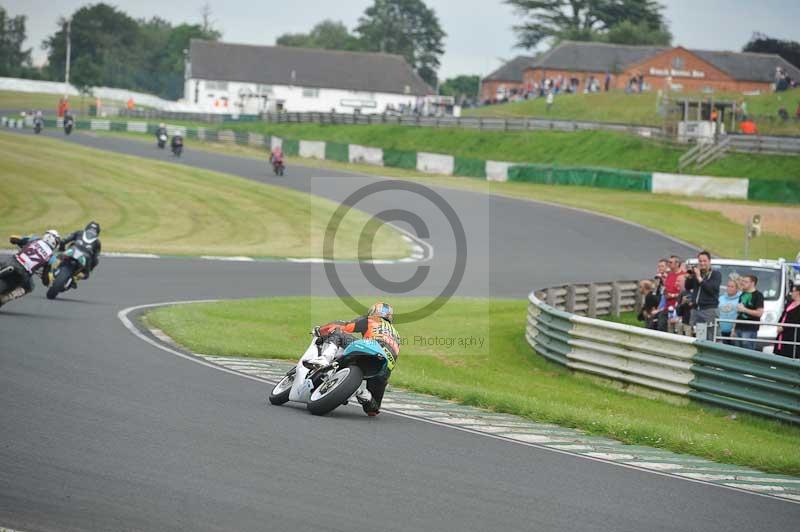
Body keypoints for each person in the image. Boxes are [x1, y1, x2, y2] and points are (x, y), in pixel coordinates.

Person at [315, 302, 400, 416]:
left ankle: (324, 360)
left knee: (338, 333)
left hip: (369, 348)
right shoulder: (396, 335)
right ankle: (362, 393)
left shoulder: (371, 319)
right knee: (372, 409)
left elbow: (345, 326)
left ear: (373, 312)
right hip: (384, 367)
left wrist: (320, 330)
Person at [0, 230, 61, 307]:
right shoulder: (52, 257)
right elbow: (45, 278)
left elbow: (15, 239)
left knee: (3, 262)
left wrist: (15, 241)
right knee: (30, 287)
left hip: (12, 262)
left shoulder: (35, 239)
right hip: (24, 273)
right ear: (54, 242)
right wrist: (47, 282)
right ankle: (5, 298)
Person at [686, 251, 722, 340]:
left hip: (709, 310)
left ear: (709, 261)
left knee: (711, 337)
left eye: (704, 261)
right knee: (696, 337)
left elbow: (712, 290)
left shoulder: (716, 274)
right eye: (700, 261)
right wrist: (690, 277)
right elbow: (687, 287)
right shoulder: (697, 273)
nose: (702, 263)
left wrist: (699, 278)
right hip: (696, 310)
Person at [734, 275, 764, 351]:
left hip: (750, 328)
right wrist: (733, 328)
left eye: (745, 281)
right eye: (742, 281)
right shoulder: (742, 294)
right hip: (739, 327)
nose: (742, 283)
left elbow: (759, 313)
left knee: (748, 351)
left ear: (752, 283)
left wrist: (744, 310)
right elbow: (738, 312)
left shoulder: (758, 295)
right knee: (737, 351)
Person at [776, 285, 800, 359]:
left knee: (790, 353)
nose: (791, 293)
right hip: (782, 334)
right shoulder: (790, 303)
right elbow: (783, 315)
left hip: (793, 334)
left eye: (793, 291)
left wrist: (783, 327)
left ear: (798, 292)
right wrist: (779, 324)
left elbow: (796, 320)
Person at [717, 279, 741, 344]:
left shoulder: (740, 299)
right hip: (721, 331)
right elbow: (717, 313)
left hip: (734, 332)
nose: (729, 288)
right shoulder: (720, 298)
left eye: (732, 287)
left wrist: (734, 329)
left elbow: (740, 314)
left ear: (737, 288)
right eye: (728, 286)